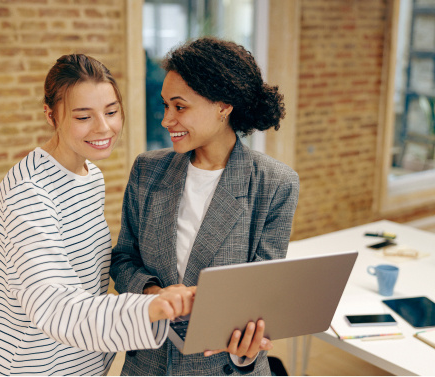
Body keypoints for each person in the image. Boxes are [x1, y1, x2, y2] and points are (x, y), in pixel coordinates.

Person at [0, 54, 196, 376]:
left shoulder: (91, 175)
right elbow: (55, 306)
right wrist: (153, 306)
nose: (104, 127)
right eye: (83, 117)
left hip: (79, 357)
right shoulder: (28, 193)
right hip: (26, 364)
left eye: (112, 112)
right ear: (50, 115)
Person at [110, 37, 300, 376]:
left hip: (222, 366)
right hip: (147, 363)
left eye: (180, 107)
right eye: (166, 105)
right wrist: (156, 296)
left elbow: (261, 297)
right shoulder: (147, 170)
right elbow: (124, 259)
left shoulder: (275, 184)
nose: (168, 119)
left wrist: (246, 348)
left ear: (223, 107)